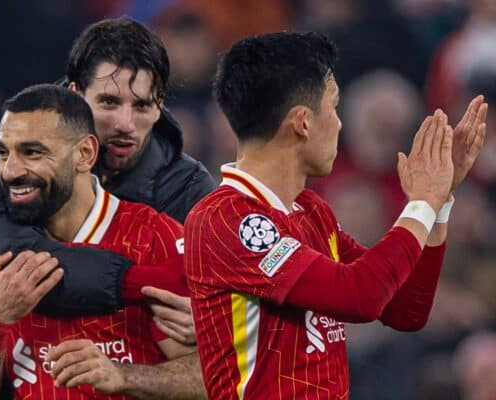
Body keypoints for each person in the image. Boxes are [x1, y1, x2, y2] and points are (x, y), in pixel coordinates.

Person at [184, 32, 487, 399]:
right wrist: (420, 202)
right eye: (333, 107)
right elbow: (360, 296)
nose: (340, 124)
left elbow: (406, 309)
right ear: (303, 122)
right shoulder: (226, 219)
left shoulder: (312, 212)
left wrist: (438, 204)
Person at [0, 17, 215, 337]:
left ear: (160, 106)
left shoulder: (187, 188)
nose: (125, 123)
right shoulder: (28, 149)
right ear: (75, 94)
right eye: (109, 102)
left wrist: (208, 322)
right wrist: (134, 283)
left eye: (141, 106)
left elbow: (228, 299)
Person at [0, 84, 202, 399]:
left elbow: (212, 379)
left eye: (32, 152)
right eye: (4, 153)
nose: (11, 171)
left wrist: (123, 375)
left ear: (85, 154)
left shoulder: (153, 239)